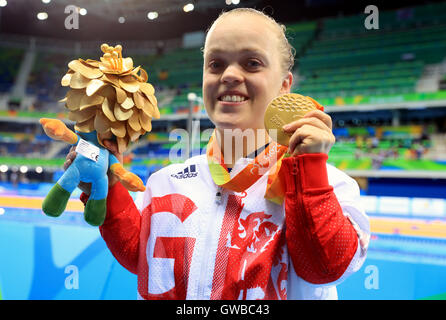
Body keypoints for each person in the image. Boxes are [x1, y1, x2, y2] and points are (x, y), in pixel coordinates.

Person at [65, 8, 369, 300]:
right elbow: (145, 261)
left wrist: (309, 171)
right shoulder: (167, 182)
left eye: (252, 63)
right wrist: (109, 188)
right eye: (215, 64)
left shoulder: (329, 185)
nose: (229, 75)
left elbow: (324, 268)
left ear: (285, 86)